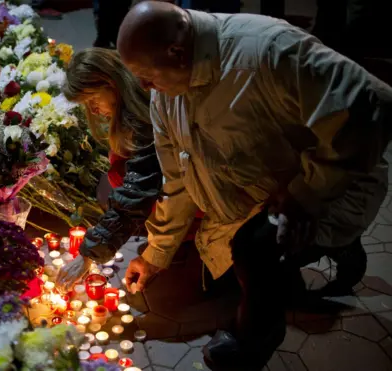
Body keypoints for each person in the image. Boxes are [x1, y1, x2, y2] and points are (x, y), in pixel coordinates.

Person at [116, 1, 391, 369]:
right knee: (223, 281)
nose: (146, 88)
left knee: (252, 250)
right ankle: (330, 250)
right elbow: (177, 180)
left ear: (177, 52)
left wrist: (304, 197)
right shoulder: (167, 92)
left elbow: (371, 105)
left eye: (148, 77)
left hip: (328, 187)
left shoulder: (267, 50)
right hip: (252, 193)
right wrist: (155, 255)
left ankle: (254, 339)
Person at [55, 48, 203, 290]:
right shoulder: (128, 110)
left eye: (93, 100)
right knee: (107, 188)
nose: (92, 111)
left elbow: (138, 189)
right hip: (170, 200)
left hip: (193, 205)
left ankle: (186, 249)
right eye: (87, 105)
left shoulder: (143, 119)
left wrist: (89, 255)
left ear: (112, 84)